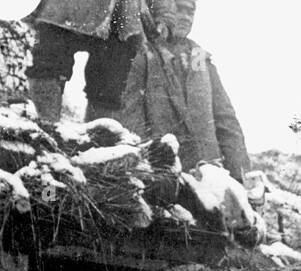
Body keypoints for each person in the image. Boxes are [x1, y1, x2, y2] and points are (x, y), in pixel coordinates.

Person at [117, 0, 250, 179]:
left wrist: (241, 175)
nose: (186, 17)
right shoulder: (144, 57)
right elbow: (132, 120)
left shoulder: (201, 60)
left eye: (190, 12)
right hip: (163, 173)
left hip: (207, 175)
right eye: (179, 9)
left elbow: (227, 122)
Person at [25, 0, 176, 122]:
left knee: (109, 90)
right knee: (46, 68)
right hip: (63, 10)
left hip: (122, 17)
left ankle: (97, 142)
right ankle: (44, 132)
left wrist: (164, 16)